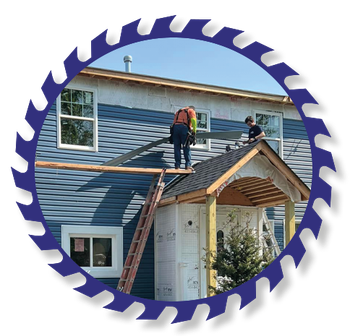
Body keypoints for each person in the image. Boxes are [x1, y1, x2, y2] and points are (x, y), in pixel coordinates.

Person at [171, 106, 197, 170]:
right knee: (186, 146)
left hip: (175, 128)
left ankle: (177, 165)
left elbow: (173, 123)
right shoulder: (191, 111)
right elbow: (193, 121)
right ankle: (188, 165)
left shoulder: (178, 111)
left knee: (177, 147)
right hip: (184, 127)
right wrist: (194, 132)